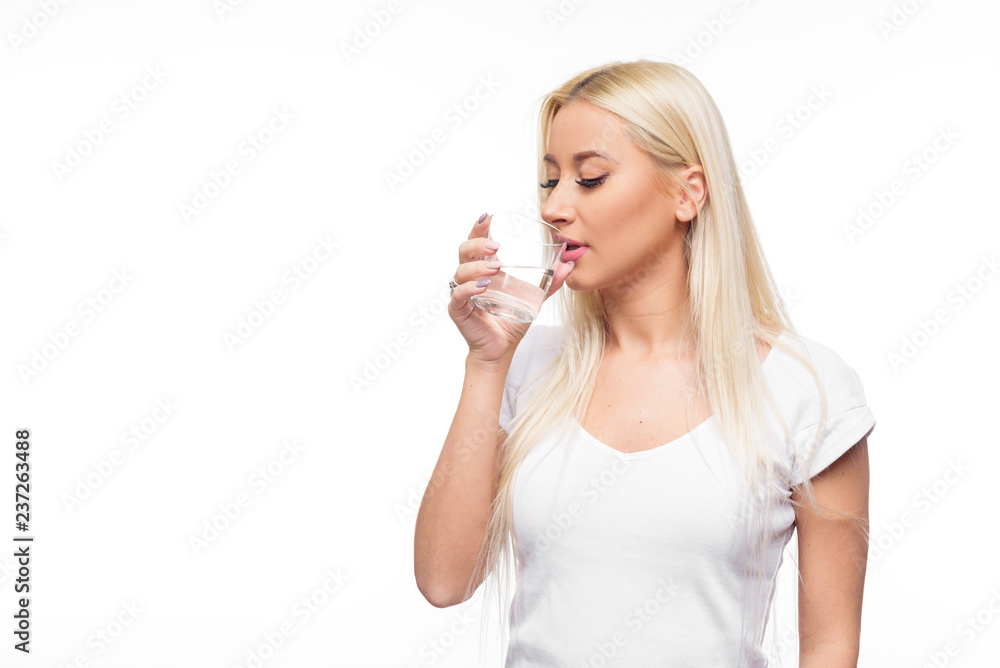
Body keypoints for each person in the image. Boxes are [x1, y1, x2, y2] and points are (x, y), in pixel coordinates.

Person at [414, 59, 875, 667]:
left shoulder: (804, 390)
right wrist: (486, 363)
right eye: (550, 181)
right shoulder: (527, 369)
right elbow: (444, 583)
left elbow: (830, 648)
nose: (554, 208)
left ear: (689, 192)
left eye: (591, 178)